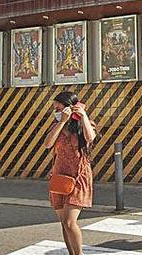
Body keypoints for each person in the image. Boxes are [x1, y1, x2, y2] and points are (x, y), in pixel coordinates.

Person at [44, 92, 97, 255]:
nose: (56, 111)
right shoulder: (57, 125)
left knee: (69, 221)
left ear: (69, 107)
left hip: (79, 175)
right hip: (60, 176)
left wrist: (83, 116)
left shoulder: (83, 123)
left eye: (58, 108)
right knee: (63, 223)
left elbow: (90, 138)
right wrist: (62, 122)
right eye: (54, 108)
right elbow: (47, 144)